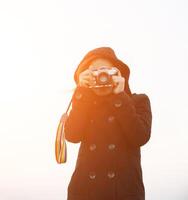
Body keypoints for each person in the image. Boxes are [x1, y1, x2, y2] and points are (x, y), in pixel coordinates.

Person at [64, 47, 152, 200]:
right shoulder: (84, 104)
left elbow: (140, 136)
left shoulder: (138, 101)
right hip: (85, 192)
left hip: (124, 193)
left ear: (118, 74)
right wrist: (82, 93)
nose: (102, 76)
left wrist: (120, 96)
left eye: (106, 71)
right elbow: (72, 135)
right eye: (94, 72)